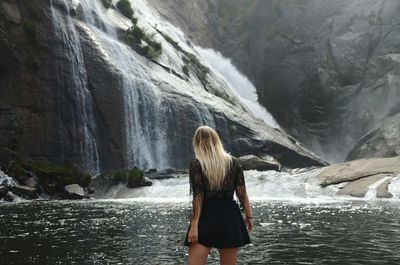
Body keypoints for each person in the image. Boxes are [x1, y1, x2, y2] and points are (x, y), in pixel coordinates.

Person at [184, 125, 253, 265]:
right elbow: (242, 193)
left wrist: (194, 224)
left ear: (197, 142)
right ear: (217, 141)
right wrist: (249, 216)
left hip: (205, 216)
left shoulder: (197, 164)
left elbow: (198, 196)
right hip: (230, 216)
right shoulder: (233, 163)